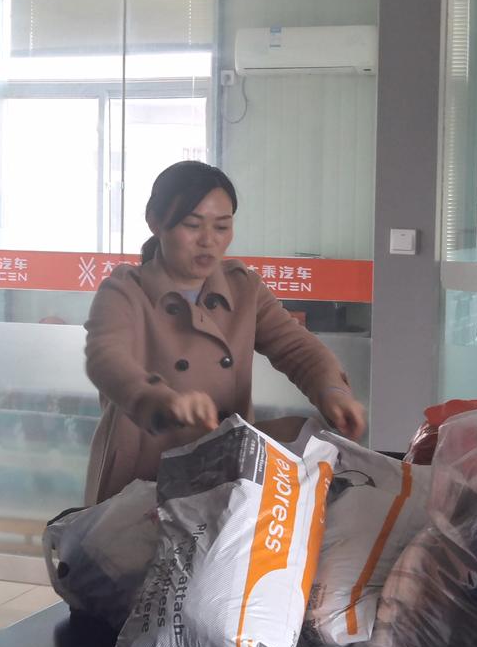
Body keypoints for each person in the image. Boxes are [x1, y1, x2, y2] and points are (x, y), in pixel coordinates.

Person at [82, 161, 367, 504]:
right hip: (142, 479)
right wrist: (161, 400)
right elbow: (106, 359)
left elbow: (298, 349)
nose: (208, 241)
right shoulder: (125, 290)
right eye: (192, 225)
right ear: (155, 221)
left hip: (226, 473)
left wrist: (332, 390)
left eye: (222, 226)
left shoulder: (243, 289)